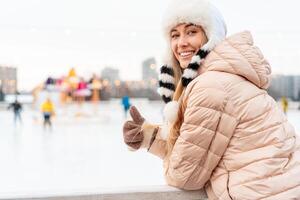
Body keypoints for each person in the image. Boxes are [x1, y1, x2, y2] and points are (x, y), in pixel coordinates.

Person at [122, 0, 300, 199]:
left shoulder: (210, 86)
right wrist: (150, 136)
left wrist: (165, 148)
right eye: (175, 35)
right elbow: (199, 150)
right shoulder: (226, 76)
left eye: (191, 32)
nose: (181, 43)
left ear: (211, 37)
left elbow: (185, 175)